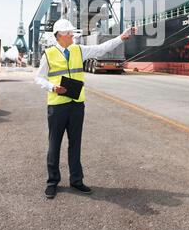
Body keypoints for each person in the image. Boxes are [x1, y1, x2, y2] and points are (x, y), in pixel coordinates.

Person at [35, 19, 136, 199]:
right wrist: (52, 87)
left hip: (76, 105)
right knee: (54, 145)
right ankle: (52, 182)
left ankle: (76, 180)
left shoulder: (78, 50)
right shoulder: (48, 54)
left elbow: (101, 48)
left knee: (75, 144)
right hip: (57, 106)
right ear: (60, 36)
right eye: (69, 33)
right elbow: (38, 78)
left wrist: (121, 37)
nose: (72, 35)